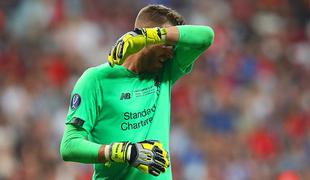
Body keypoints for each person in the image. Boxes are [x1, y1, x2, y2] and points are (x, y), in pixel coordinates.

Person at [60, 4, 214, 180]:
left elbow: (207, 37)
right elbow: (69, 146)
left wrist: (151, 37)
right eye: (168, 46)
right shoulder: (96, 80)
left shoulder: (165, 71)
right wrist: (122, 151)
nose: (172, 54)